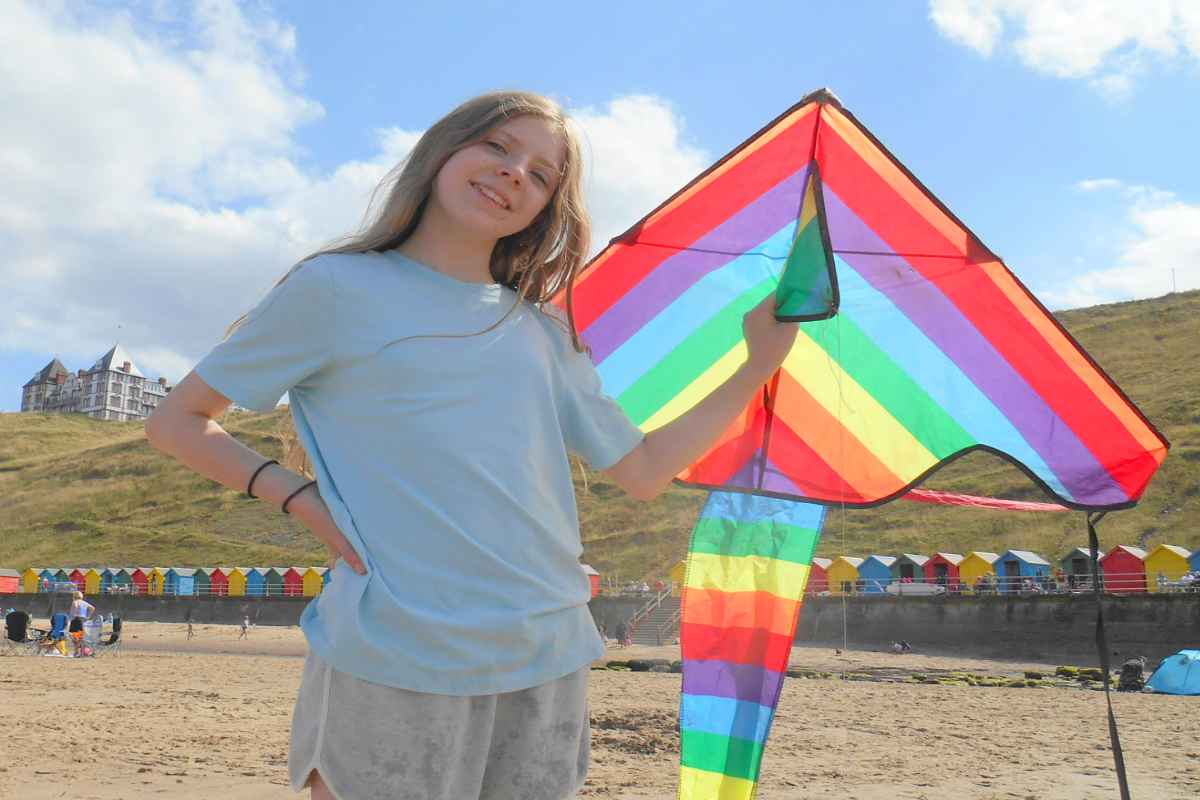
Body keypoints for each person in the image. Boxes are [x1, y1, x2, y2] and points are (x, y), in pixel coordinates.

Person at [145, 90, 799, 800]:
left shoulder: (543, 332)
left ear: (548, 208)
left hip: (547, 652)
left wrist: (756, 364)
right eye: (497, 146)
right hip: (394, 648)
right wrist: (298, 498)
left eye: (542, 174)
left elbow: (643, 470)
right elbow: (178, 420)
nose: (515, 172)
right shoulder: (337, 287)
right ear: (444, 151)